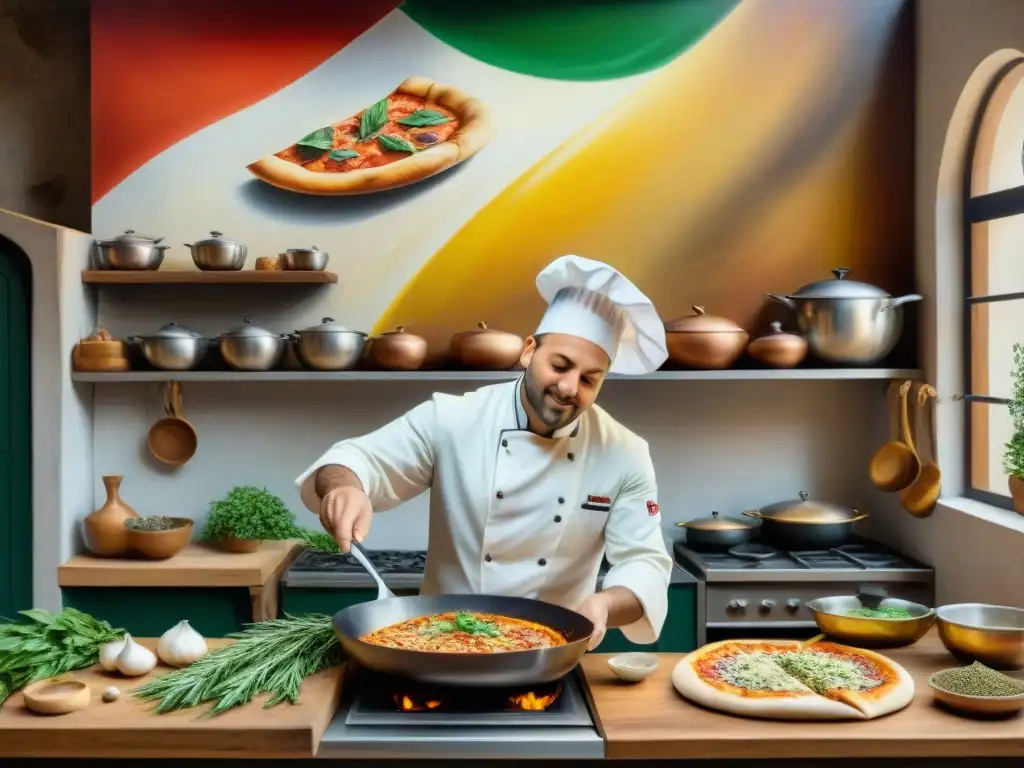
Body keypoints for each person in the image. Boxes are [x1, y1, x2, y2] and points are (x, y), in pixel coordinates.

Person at [296, 255, 673, 649]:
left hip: (549, 653)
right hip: (441, 646)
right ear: (529, 351)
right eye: (560, 365)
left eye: (589, 379)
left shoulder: (624, 452)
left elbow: (644, 562)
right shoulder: (453, 418)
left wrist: (604, 605)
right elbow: (356, 461)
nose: (568, 387)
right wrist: (345, 489)